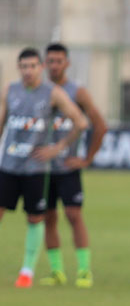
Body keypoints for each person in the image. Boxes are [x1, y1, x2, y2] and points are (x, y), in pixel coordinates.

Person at [0, 47, 87, 287]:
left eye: (32, 66)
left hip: (35, 168)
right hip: (8, 164)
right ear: (19, 68)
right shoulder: (10, 90)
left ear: (41, 68)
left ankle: (27, 272)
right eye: (24, 66)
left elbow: (80, 121)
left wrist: (57, 148)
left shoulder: (52, 93)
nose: (28, 71)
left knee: (35, 218)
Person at [39, 42, 108, 288]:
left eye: (59, 61)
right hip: (43, 167)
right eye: (50, 61)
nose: (54, 66)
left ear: (67, 63)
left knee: (73, 214)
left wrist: (88, 158)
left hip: (67, 166)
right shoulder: (39, 90)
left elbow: (100, 124)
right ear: (44, 64)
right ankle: (57, 271)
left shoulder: (77, 91)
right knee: (47, 217)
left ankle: (84, 271)